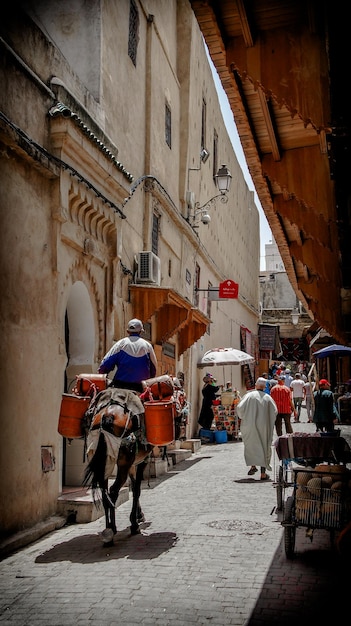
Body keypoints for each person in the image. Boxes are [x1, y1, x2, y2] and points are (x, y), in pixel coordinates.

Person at [98, 318, 157, 393]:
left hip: (119, 386)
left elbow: (105, 365)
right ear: (141, 331)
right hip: (141, 388)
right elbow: (154, 369)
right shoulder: (147, 346)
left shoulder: (120, 344)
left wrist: (103, 374)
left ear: (127, 331)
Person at [236, 377, 277, 481]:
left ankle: (253, 466)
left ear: (256, 385)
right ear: (264, 387)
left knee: (251, 445)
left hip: (249, 426)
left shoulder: (248, 396)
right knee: (264, 446)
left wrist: (245, 417)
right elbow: (274, 412)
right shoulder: (268, 398)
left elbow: (240, 409)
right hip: (264, 427)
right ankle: (263, 473)